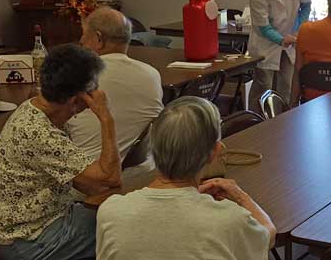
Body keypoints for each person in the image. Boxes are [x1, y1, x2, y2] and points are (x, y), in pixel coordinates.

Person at [0, 44, 122, 260]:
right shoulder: (40, 132)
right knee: (121, 230)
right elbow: (110, 177)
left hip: (42, 219)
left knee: (115, 216)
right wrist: (106, 117)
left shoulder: (39, 110)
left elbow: (87, 182)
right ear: (75, 101)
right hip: (26, 239)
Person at [96, 96, 275, 259]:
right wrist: (241, 196)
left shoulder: (110, 211)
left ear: (152, 148)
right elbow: (268, 236)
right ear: (214, 152)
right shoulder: (230, 220)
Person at [69, 7, 162, 177]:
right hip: (143, 171)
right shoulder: (152, 74)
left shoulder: (78, 76)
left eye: (84, 35)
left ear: (98, 39)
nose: (81, 41)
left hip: (90, 177)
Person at [248, 0, 314, 111]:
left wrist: (299, 28)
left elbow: (306, 4)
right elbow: (263, 27)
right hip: (266, 45)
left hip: (291, 39)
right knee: (263, 87)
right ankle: (255, 124)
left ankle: (281, 124)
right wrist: (280, 39)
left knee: (286, 86)